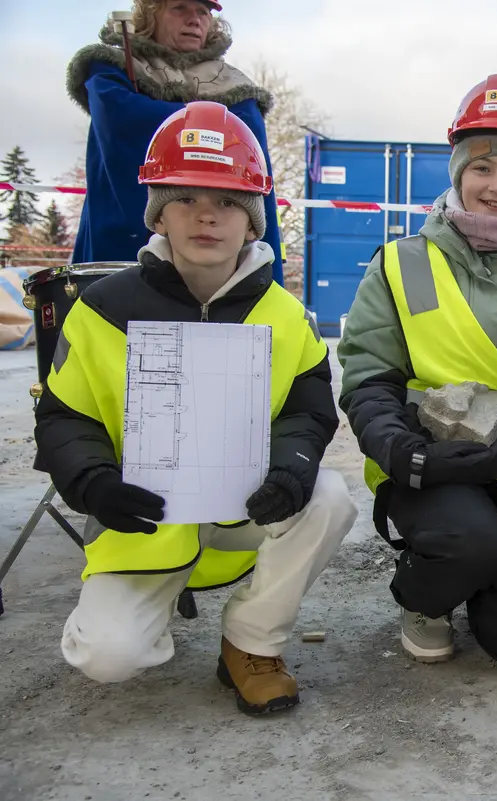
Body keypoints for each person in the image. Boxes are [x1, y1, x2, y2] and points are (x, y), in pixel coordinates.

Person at [33, 101, 358, 715]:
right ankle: (140, 611)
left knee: (329, 498)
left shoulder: (284, 315)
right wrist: (94, 484)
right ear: (159, 212)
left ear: (253, 220)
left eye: (230, 201)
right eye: (185, 198)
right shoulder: (103, 308)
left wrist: (291, 466)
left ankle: (251, 643)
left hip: (244, 506)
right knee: (107, 658)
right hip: (144, 521)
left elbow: (309, 408)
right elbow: (63, 417)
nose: (208, 215)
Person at [337, 74, 497, 670]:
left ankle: (484, 573)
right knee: (468, 543)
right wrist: (405, 453)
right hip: (429, 470)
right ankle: (426, 596)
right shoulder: (401, 263)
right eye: (483, 169)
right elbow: (367, 377)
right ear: (458, 172)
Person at [66, 0, 284, 284]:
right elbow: (122, 120)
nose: (194, 20)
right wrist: (211, 126)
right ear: (150, 15)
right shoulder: (112, 69)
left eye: (203, 12)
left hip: (213, 262)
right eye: (180, 8)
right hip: (122, 246)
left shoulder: (232, 84)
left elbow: (247, 149)